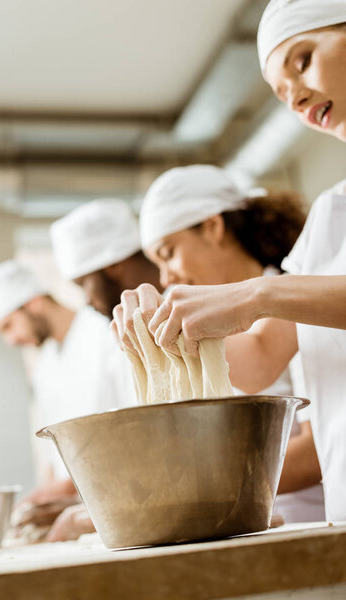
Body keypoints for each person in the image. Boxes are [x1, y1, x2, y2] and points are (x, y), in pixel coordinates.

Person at [112, 0, 346, 522]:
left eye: (302, 60)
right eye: (280, 93)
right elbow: (262, 357)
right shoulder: (331, 216)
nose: (296, 97)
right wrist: (164, 329)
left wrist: (254, 295)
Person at [114, 164, 324, 522]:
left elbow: (318, 447)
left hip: (311, 519)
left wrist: (200, 487)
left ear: (213, 226)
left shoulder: (297, 291)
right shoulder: (231, 318)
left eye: (168, 253)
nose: (166, 277)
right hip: (242, 521)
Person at [0, 259, 132, 542]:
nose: (11, 340)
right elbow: (52, 454)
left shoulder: (105, 335)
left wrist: (63, 490)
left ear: (33, 303)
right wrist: (42, 497)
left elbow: (134, 431)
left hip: (122, 501)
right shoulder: (46, 364)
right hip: (80, 507)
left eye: (9, 325)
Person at [46, 198, 162, 541]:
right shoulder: (125, 327)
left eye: (83, 283)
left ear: (112, 265)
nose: (85, 300)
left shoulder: (186, 312)